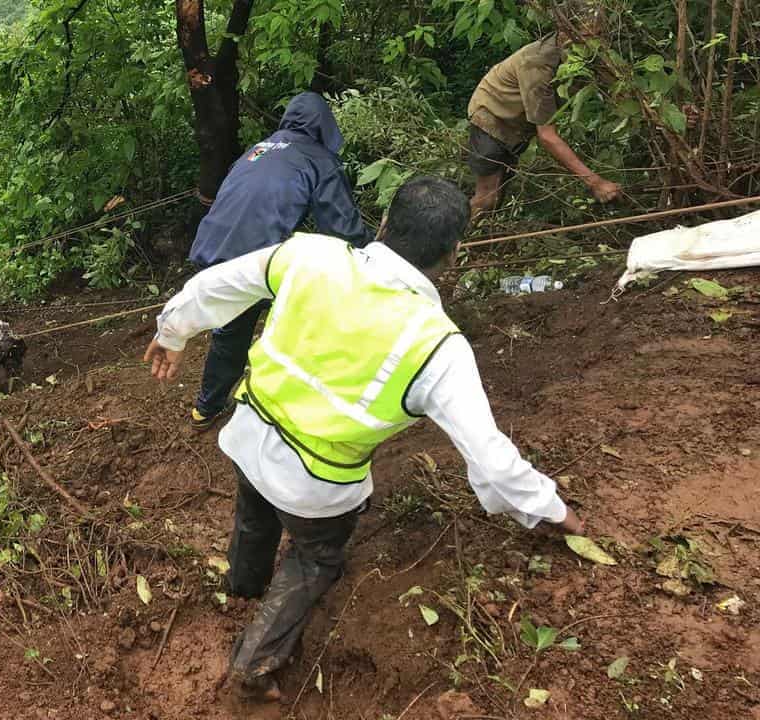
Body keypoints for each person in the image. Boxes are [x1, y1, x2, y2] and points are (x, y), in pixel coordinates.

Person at [144, 176, 583, 700]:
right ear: (454, 253)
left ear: (383, 224)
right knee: (316, 558)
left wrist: (172, 333)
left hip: (247, 434)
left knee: (254, 507)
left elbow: (217, 286)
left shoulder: (309, 255)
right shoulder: (438, 345)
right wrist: (551, 510)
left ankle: (242, 587)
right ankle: (255, 661)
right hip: (316, 488)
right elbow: (489, 458)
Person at [185, 91, 369, 431]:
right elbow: (343, 230)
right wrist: (371, 256)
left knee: (231, 332)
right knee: (309, 311)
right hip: (257, 257)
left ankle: (205, 409)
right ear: (324, 125)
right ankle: (300, 399)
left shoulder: (255, 152)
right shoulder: (317, 159)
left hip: (211, 251)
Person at [467, 5, 621, 216]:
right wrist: (595, 181)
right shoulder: (538, 66)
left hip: (518, 123)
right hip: (493, 115)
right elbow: (547, 136)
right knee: (487, 198)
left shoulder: (587, 55)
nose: (593, 43)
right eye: (585, 37)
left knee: (500, 192)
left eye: (600, 35)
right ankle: (454, 242)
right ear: (565, 32)